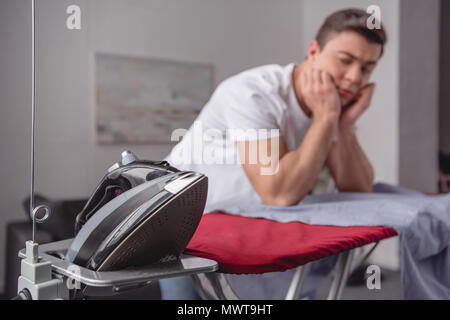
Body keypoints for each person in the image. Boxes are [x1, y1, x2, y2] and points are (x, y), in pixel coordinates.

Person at [159, 8, 387, 300]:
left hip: (245, 222)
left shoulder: (328, 104)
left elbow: (358, 188)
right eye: (345, 60)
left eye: (367, 68)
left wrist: (342, 123)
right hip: (181, 222)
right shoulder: (253, 93)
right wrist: (326, 117)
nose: (355, 77)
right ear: (314, 51)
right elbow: (278, 192)